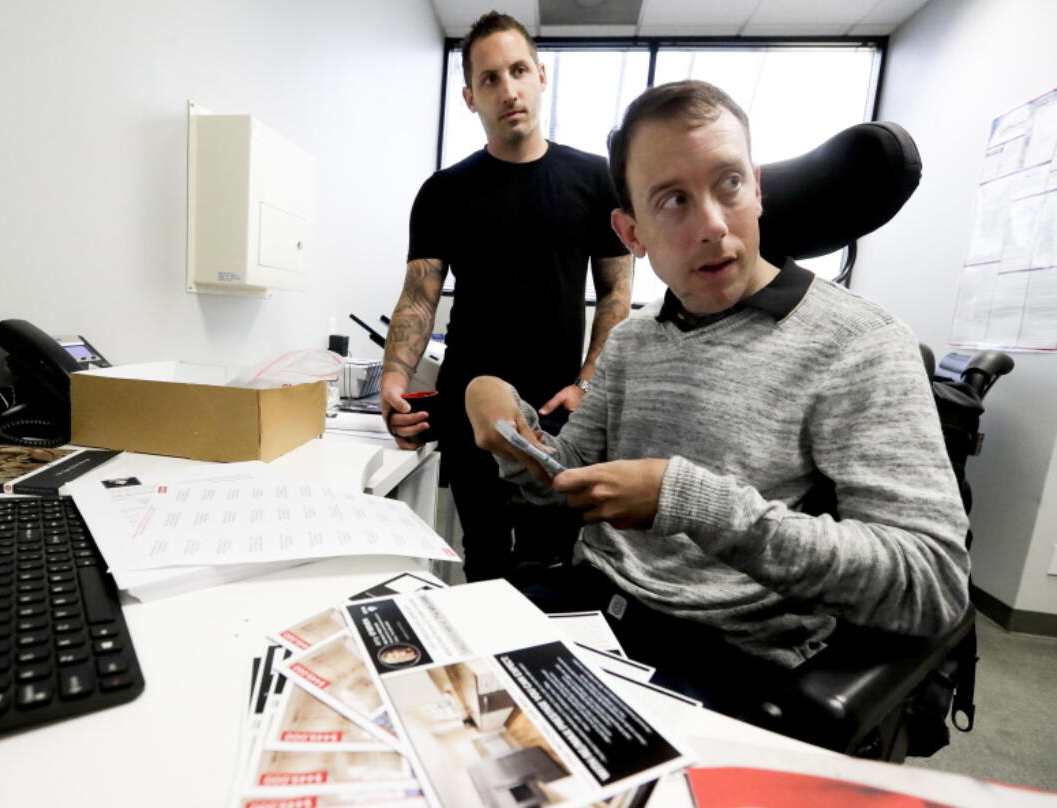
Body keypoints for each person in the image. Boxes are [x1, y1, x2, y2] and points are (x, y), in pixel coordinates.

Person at [463, 80, 971, 713]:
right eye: (673, 200)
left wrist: (693, 502)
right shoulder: (633, 340)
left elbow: (931, 584)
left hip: (726, 661)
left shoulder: (861, 344)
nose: (711, 225)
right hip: (588, 610)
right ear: (632, 233)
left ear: (756, 187)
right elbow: (559, 488)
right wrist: (501, 412)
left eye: (728, 183)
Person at [380, 12, 634, 582]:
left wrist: (587, 383)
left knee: (558, 561)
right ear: (470, 97)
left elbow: (617, 295)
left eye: (518, 70)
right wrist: (393, 380)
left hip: (558, 411)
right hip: (469, 410)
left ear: (542, 75)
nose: (509, 89)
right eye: (490, 78)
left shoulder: (597, 181)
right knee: (485, 560)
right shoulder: (444, 192)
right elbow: (419, 296)